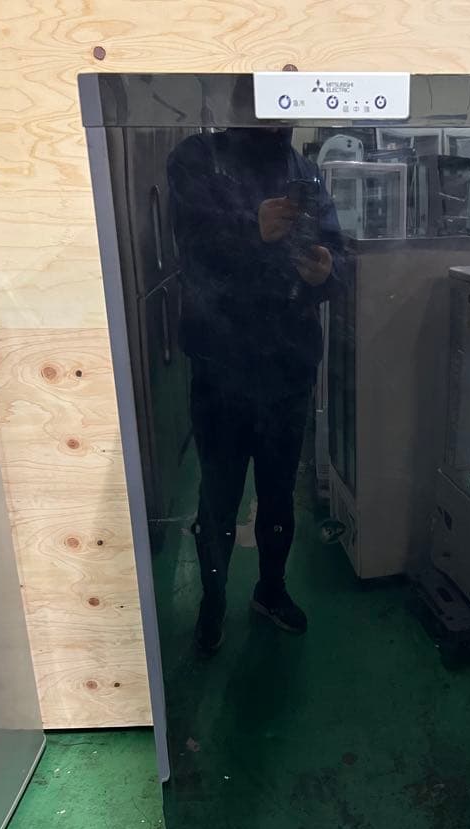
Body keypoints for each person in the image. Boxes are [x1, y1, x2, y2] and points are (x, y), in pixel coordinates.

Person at [168, 127, 343, 652]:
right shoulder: (198, 157)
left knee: (278, 496)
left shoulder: (304, 171)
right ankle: (213, 599)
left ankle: (271, 590)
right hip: (220, 371)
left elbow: (335, 254)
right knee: (218, 499)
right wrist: (251, 228)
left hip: (287, 371)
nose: (275, 115)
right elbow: (189, 245)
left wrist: (326, 273)